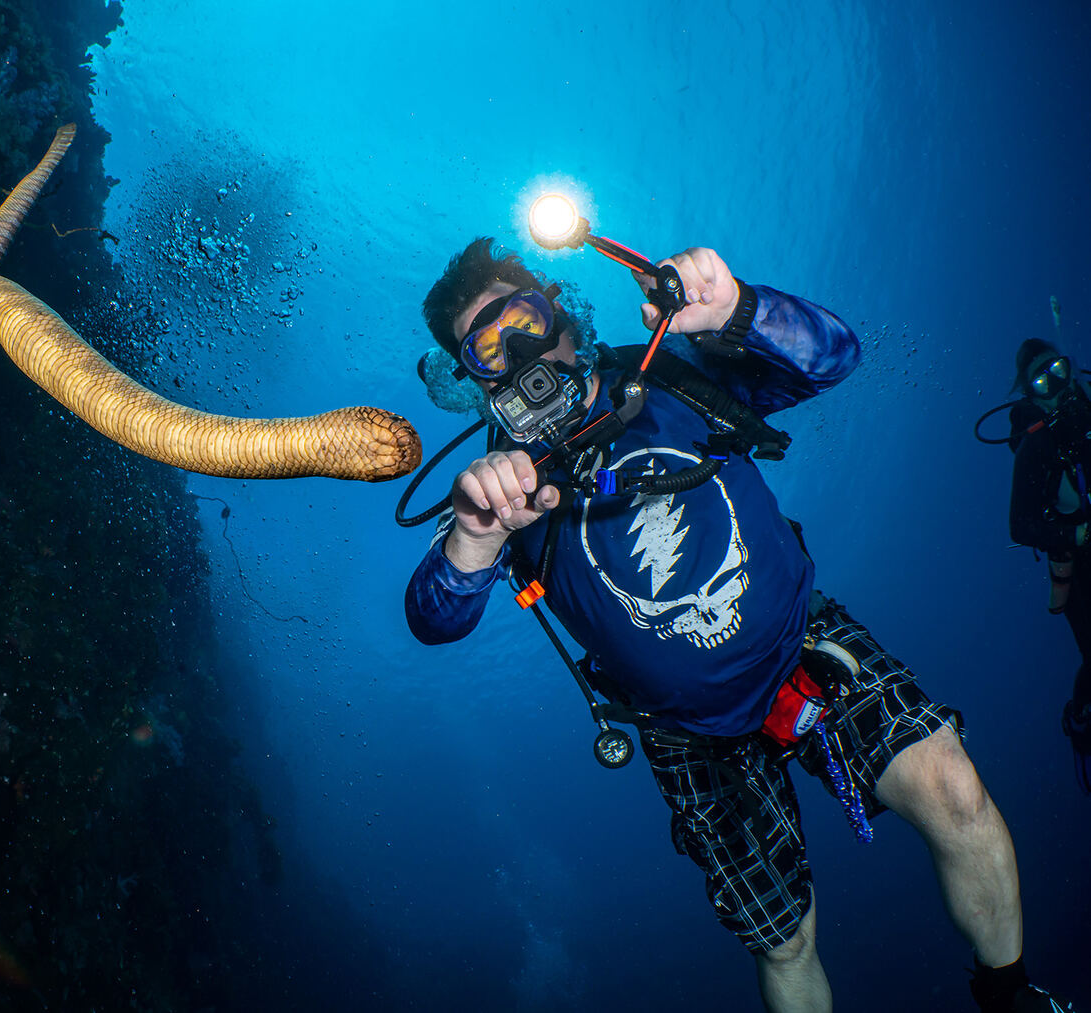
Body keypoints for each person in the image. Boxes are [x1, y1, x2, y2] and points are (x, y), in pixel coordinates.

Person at [404, 238, 1072, 1012]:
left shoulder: (667, 374)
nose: (517, 350)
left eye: (522, 317)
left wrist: (739, 310)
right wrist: (475, 538)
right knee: (783, 938)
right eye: (486, 346)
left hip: (805, 642)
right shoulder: (500, 489)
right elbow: (432, 619)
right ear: (472, 381)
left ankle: (1013, 995)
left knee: (952, 786)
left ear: (560, 312)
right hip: (683, 731)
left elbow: (834, 356)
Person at [1007, 337, 1091, 795]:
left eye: (1060, 368)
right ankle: (1081, 718)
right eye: (1043, 379)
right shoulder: (1038, 445)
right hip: (1082, 568)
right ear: (1031, 392)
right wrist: (1079, 536)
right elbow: (1020, 525)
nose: (1056, 383)